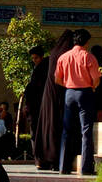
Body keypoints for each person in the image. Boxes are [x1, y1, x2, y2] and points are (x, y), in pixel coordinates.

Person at [55, 28, 101, 175]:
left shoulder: (63, 57)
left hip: (69, 93)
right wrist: (91, 88)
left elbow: (57, 79)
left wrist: (69, 85)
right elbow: (96, 79)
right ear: (87, 42)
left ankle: (64, 166)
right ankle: (86, 168)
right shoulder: (89, 57)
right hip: (85, 92)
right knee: (86, 131)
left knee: (66, 130)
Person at [32, 29, 75, 170]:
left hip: (48, 96)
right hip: (61, 95)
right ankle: (57, 159)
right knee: (59, 127)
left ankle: (43, 159)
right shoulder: (66, 55)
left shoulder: (53, 54)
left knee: (48, 126)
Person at [23, 46, 49, 155]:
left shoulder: (44, 69)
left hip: (39, 106)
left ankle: (40, 156)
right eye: (33, 58)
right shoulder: (37, 69)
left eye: (36, 58)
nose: (34, 61)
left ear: (42, 57)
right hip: (35, 106)